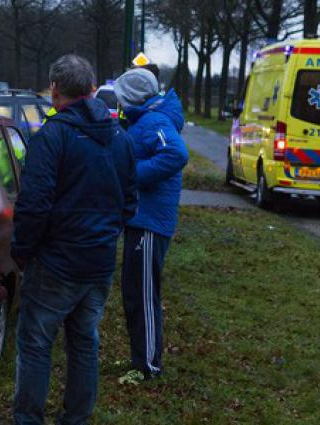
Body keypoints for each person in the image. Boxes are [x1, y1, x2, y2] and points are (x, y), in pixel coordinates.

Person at [11, 54, 137, 425]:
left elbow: (33, 205)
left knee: (36, 343)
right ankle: (76, 418)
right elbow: (130, 201)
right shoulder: (120, 137)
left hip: (56, 263)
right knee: (84, 341)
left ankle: (29, 419)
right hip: (98, 263)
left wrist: (22, 251)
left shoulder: (52, 137)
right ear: (92, 89)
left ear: (54, 90)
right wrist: (106, 234)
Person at [114, 67, 188, 381]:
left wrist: (133, 175)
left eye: (120, 98)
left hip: (149, 223)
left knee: (142, 295)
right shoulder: (144, 120)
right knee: (135, 291)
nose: (118, 104)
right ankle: (142, 356)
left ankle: (147, 366)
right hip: (142, 220)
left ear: (131, 97)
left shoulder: (153, 121)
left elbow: (176, 154)